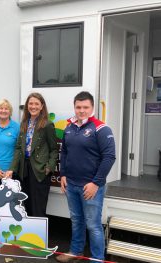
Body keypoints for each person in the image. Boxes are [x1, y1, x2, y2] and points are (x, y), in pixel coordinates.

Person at [56, 91, 116, 263]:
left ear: (92, 108)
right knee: (76, 220)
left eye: (85, 107)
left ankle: (97, 259)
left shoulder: (101, 128)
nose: (81, 110)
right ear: (74, 107)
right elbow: (65, 151)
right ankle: (76, 252)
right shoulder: (69, 127)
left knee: (93, 225)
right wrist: (63, 174)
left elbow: (109, 157)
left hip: (90, 187)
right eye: (78, 107)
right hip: (71, 184)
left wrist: (96, 183)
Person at [6, 92, 58, 217]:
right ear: (27, 106)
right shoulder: (24, 123)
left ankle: (39, 236)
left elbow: (54, 149)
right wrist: (12, 169)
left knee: (38, 207)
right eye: (30, 103)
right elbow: (19, 148)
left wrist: (49, 168)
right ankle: (30, 235)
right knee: (27, 205)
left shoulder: (47, 124)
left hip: (39, 170)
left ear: (42, 106)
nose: (33, 106)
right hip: (24, 169)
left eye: (36, 104)